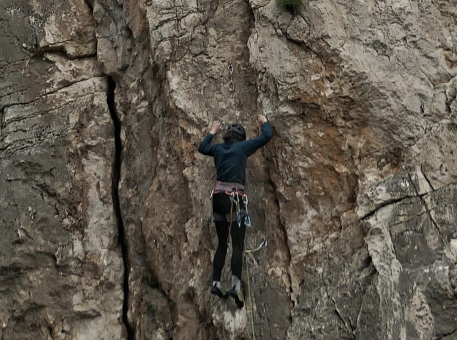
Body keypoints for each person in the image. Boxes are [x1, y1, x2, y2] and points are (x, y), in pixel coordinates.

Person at [198, 115, 272, 308]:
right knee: (237, 243)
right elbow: (266, 136)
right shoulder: (242, 147)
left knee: (222, 244)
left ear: (227, 136)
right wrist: (264, 122)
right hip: (234, 198)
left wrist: (212, 132)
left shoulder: (218, 149)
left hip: (218, 199)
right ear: (240, 138)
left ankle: (216, 283)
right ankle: (235, 287)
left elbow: (202, 148)